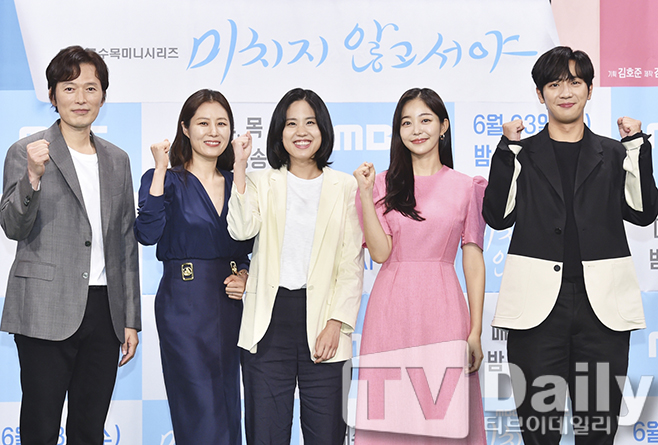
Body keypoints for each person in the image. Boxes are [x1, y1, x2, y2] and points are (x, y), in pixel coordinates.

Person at [482, 46, 658, 445]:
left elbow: (643, 212)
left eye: (575, 82)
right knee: (539, 430)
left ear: (590, 90)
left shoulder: (615, 152)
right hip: (537, 314)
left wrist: (636, 146)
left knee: (597, 430)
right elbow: (498, 216)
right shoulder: (521, 153)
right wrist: (508, 150)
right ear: (539, 93)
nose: (565, 92)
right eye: (554, 84)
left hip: (601, 314)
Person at [0, 46, 140, 445]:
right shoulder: (27, 151)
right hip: (44, 308)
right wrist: (32, 176)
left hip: (104, 310)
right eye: (69, 87)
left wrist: (130, 318)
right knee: (41, 427)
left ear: (103, 96)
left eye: (90, 88)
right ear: (52, 94)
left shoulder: (118, 159)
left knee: (89, 428)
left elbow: (125, 241)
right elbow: (12, 226)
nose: (81, 98)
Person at [228, 87, 364, 445]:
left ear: (323, 130)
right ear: (279, 131)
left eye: (310, 123)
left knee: (326, 434)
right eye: (291, 123)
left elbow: (351, 263)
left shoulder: (345, 186)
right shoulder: (261, 181)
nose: (301, 131)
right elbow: (241, 230)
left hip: (325, 323)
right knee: (266, 434)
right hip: (268, 324)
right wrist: (239, 165)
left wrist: (336, 322)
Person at [353, 87, 487, 445]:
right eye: (407, 122)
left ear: (443, 126)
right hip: (391, 310)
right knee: (391, 413)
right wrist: (365, 193)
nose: (417, 130)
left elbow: (473, 260)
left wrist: (474, 330)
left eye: (425, 120)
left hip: (444, 309)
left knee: (445, 411)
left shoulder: (466, 187)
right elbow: (380, 253)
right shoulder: (380, 184)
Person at [133, 89, 252, 445]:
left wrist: (245, 275)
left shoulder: (237, 181)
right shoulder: (165, 179)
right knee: (199, 405)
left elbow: (247, 246)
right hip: (183, 307)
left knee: (228, 403)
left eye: (222, 123)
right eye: (203, 123)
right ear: (185, 128)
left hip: (229, 306)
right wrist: (160, 169)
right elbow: (147, 233)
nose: (213, 132)